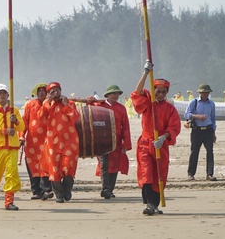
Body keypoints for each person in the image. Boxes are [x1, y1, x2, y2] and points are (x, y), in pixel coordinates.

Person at [131, 61, 181, 216]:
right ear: (153, 91)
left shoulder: (170, 109)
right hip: (145, 143)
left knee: (159, 175)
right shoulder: (148, 103)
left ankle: (154, 204)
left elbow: (174, 127)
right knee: (146, 173)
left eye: (163, 92)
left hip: (160, 145)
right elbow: (136, 93)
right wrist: (146, 72)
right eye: (157, 91)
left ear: (166, 93)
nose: (160, 94)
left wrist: (163, 138)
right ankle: (149, 204)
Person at [88, 85, 132, 199]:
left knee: (115, 166)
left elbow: (125, 127)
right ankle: (105, 189)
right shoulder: (99, 105)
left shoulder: (121, 108)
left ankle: (109, 190)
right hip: (101, 141)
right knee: (104, 165)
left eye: (118, 94)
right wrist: (89, 101)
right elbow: (89, 110)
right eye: (114, 93)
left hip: (116, 141)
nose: (116, 96)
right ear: (107, 95)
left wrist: (125, 143)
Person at [0, 83, 24, 210]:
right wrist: (4, 131)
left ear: (8, 95)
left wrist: (16, 121)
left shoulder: (14, 110)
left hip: (12, 147)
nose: (2, 95)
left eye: (4, 93)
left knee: (12, 173)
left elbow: (22, 127)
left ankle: (9, 202)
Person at [39, 82, 80, 203]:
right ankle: (59, 194)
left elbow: (75, 117)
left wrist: (66, 105)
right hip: (53, 142)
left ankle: (67, 190)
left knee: (69, 167)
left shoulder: (69, 103)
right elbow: (41, 117)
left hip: (70, 142)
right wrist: (48, 101)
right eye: (52, 91)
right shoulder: (47, 104)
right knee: (54, 169)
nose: (55, 92)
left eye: (57, 90)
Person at [19, 82, 53, 200]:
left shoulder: (51, 104)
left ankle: (47, 189)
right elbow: (24, 122)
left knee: (47, 165)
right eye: (40, 91)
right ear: (36, 93)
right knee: (32, 165)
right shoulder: (30, 105)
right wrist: (21, 136)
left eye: (44, 91)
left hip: (47, 140)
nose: (42, 93)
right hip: (32, 141)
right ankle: (36, 191)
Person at [185, 84, 217, 182]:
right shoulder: (194, 102)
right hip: (196, 130)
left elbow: (213, 118)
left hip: (208, 130)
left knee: (210, 152)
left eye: (207, 93)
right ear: (200, 93)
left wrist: (213, 132)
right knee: (194, 152)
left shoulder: (211, 104)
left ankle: (209, 174)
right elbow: (187, 114)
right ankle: (191, 174)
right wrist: (198, 117)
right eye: (204, 92)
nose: (206, 94)